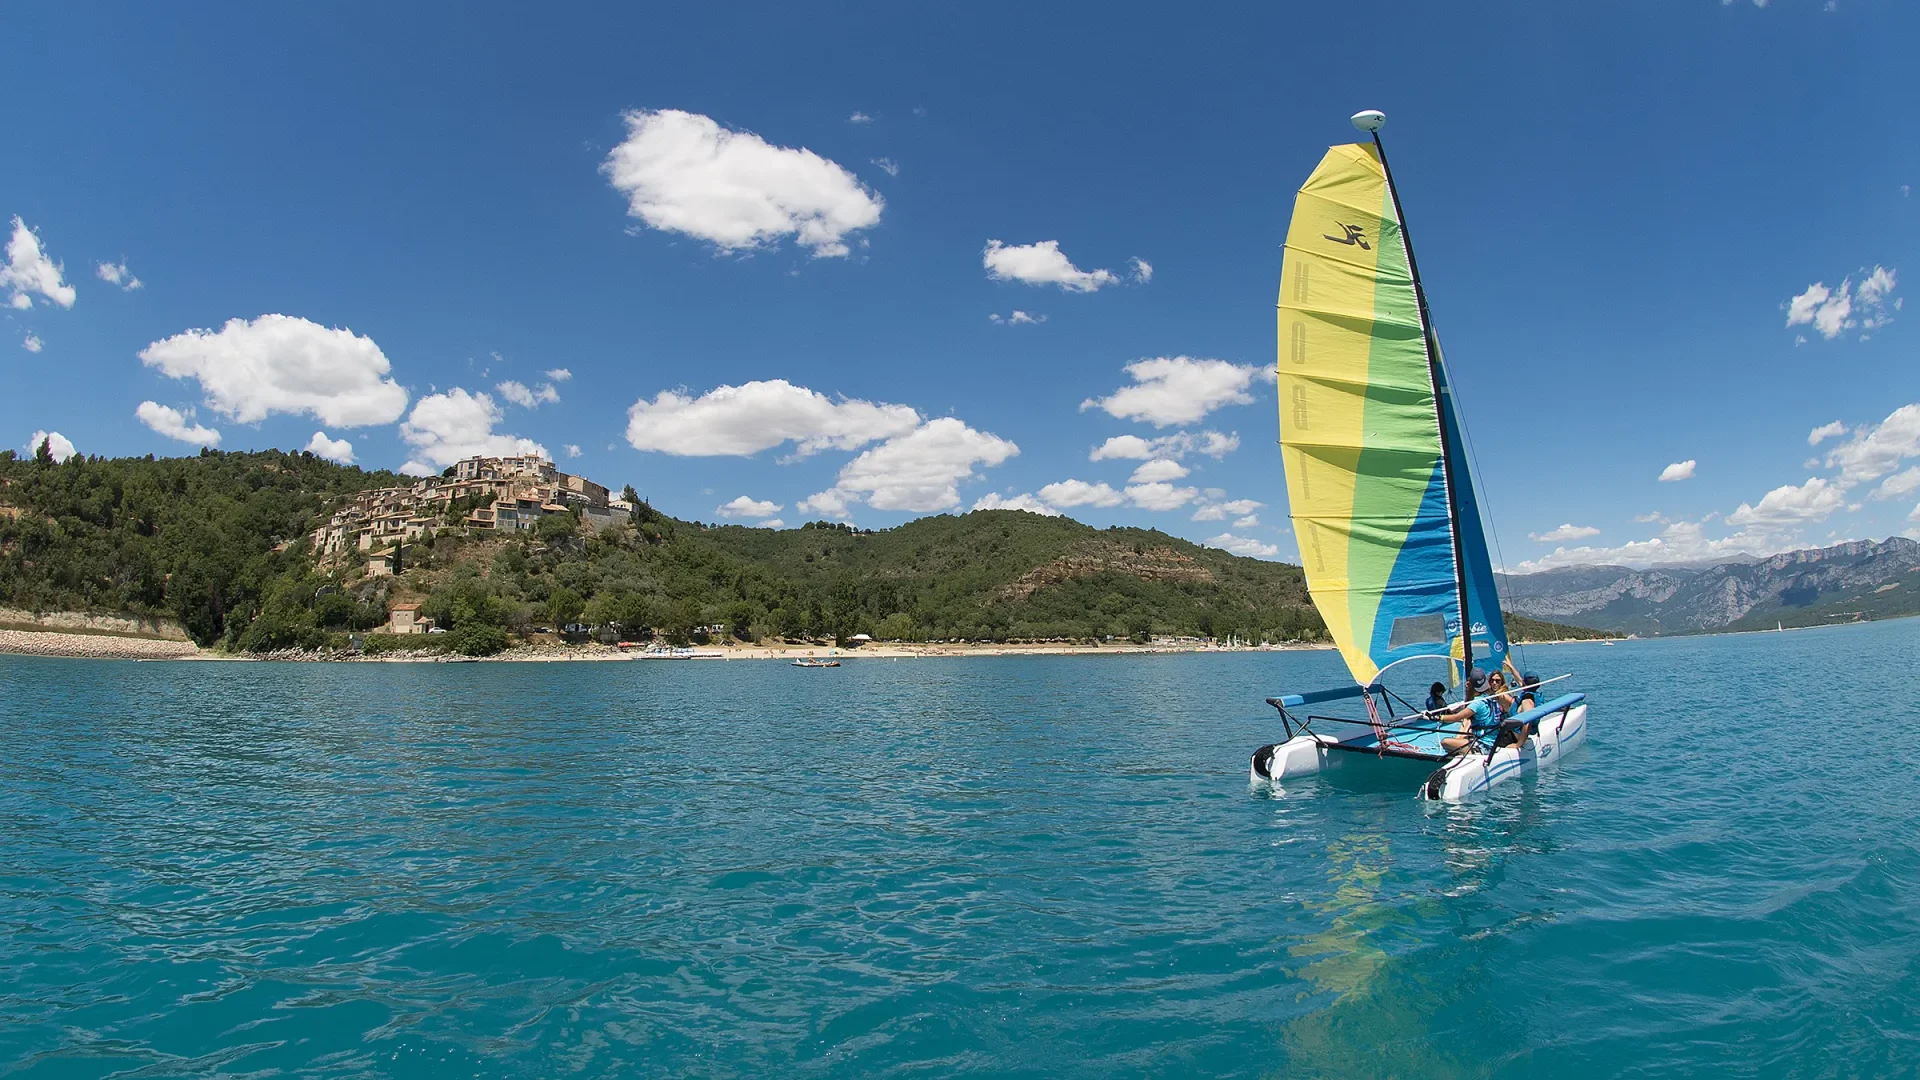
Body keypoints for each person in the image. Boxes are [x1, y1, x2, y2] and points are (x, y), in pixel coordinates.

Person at [1439, 670, 1498, 754]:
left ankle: (1468, 754)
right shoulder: (1490, 698)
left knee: (1445, 742)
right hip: (1493, 742)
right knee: (1461, 738)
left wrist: (1437, 717)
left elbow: (1456, 717)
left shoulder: (1477, 703)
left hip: (1483, 746)